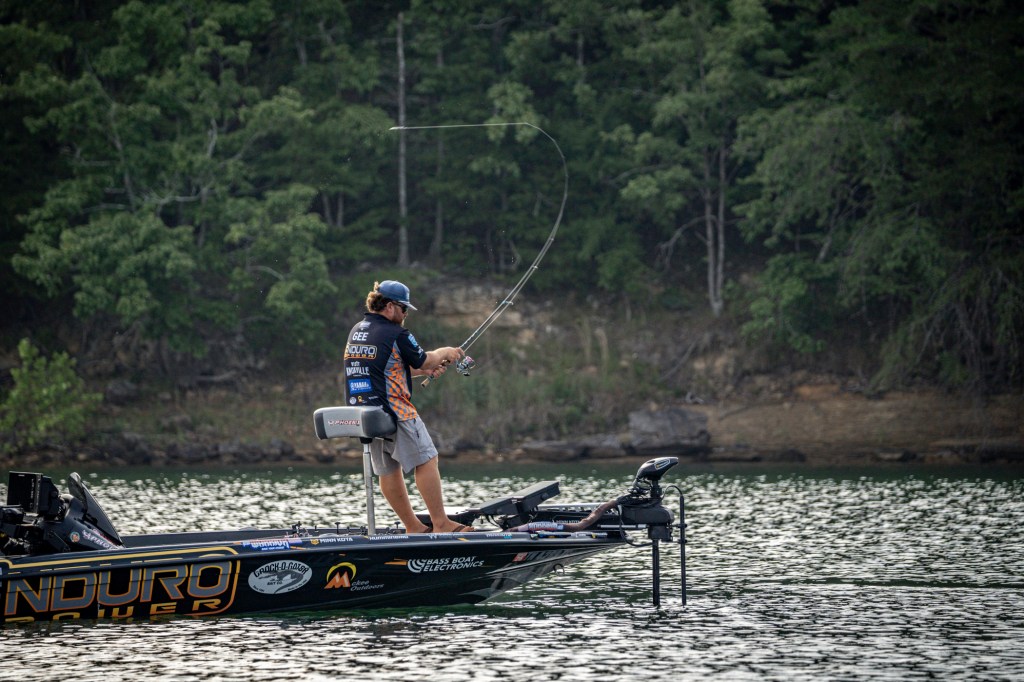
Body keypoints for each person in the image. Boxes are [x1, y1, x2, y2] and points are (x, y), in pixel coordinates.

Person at [343, 279, 472, 533]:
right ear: (390, 306)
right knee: (427, 460)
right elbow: (425, 359)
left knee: (388, 470)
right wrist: (444, 352)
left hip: (365, 412)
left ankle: (413, 527)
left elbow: (385, 367)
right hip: (395, 410)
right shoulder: (396, 333)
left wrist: (423, 371)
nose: (405, 315)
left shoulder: (358, 330)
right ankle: (441, 524)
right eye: (404, 309)